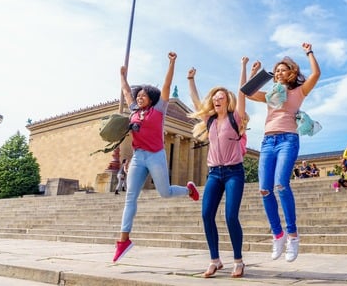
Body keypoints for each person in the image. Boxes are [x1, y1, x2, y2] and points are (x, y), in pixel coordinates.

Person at [113, 51, 200, 263]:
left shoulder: (158, 110)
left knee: (165, 192)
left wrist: (171, 63)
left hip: (156, 155)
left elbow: (167, 86)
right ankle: (124, 240)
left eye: (143, 95)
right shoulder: (133, 109)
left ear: (151, 98)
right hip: (138, 157)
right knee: (130, 196)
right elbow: (126, 92)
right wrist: (123, 76)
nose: (138, 97)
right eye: (138, 95)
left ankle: (188, 190)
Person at [245, 42, 320, 263]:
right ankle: (278, 234)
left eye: (282, 70)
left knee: (280, 184)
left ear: (291, 73)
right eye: (276, 70)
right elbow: (248, 93)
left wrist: (309, 52)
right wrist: (252, 72)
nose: (278, 72)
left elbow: (316, 73)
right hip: (268, 141)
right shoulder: (270, 95)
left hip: (288, 139)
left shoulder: (299, 91)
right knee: (264, 190)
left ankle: (293, 236)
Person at [186, 58, 248, 278]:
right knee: (206, 214)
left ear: (227, 100)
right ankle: (215, 260)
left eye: (221, 98)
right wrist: (191, 80)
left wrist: (243, 68)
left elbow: (242, 92)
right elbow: (195, 101)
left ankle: (238, 261)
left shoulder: (235, 117)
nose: (217, 100)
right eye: (215, 98)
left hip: (234, 173)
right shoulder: (210, 120)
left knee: (231, 216)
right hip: (214, 173)